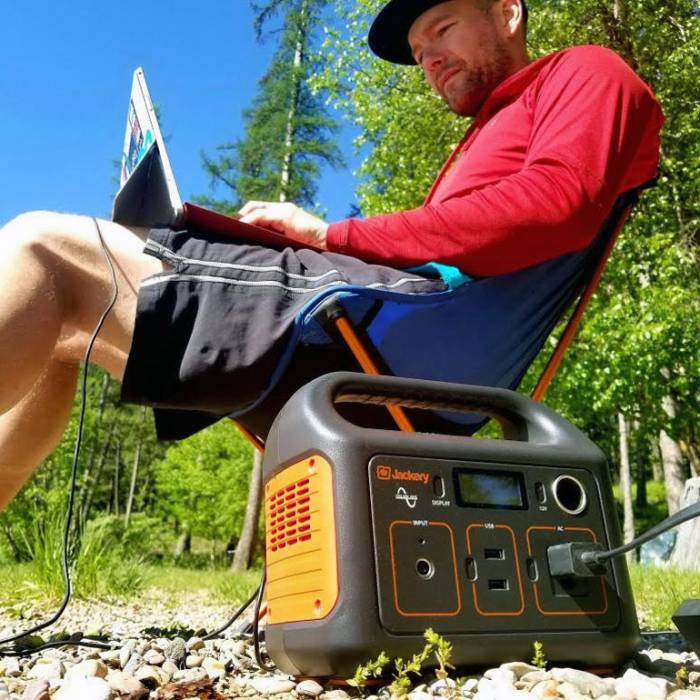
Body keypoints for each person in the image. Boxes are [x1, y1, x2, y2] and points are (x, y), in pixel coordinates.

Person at [0, 0, 662, 510]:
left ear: (508, 12)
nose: (429, 59)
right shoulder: (484, 135)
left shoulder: (583, 71)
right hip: (375, 342)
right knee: (68, 326)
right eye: (418, 52)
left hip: (377, 348)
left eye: (443, 29)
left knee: (46, 249)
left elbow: (555, 206)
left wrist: (328, 235)